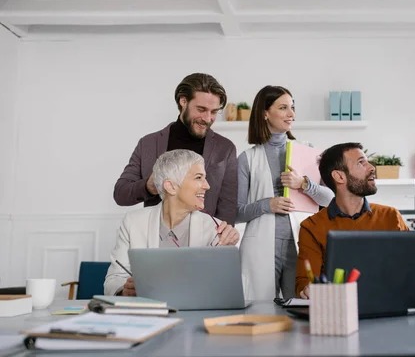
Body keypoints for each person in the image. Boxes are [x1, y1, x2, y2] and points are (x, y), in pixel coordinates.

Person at [237, 85, 334, 300]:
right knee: (261, 312)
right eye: (283, 107)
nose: (291, 114)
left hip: (301, 242)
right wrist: (267, 205)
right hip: (260, 246)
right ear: (265, 113)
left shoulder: (307, 151)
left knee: (302, 307)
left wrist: (305, 184)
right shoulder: (247, 158)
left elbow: (329, 199)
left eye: (292, 107)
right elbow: (237, 212)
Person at [104, 149, 240, 296]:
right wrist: (124, 291)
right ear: (171, 186)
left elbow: (224, 290)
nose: (207, 185)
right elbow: (114, 279)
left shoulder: (217, 230)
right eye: (198, 177)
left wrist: (227, 253)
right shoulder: (133, 222)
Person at [113, 73, 238, 226]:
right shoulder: (148, 144)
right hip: (155, 240)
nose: (207, 118)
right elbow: (120, 194)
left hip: (205, 241)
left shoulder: (225, 148)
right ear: (183, 101)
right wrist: (148, 186)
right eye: (201, 109)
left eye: (213, 112)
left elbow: (228, 207)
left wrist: (220, 241)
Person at [295, 142, 409, 299]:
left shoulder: (391, 216)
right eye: (361, 162)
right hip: (337, 311)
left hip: (388, 307)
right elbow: (305, 281)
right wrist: (307, 289)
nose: (371, 167)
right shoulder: (312, 227)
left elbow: (410, 269)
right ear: (339, 176)